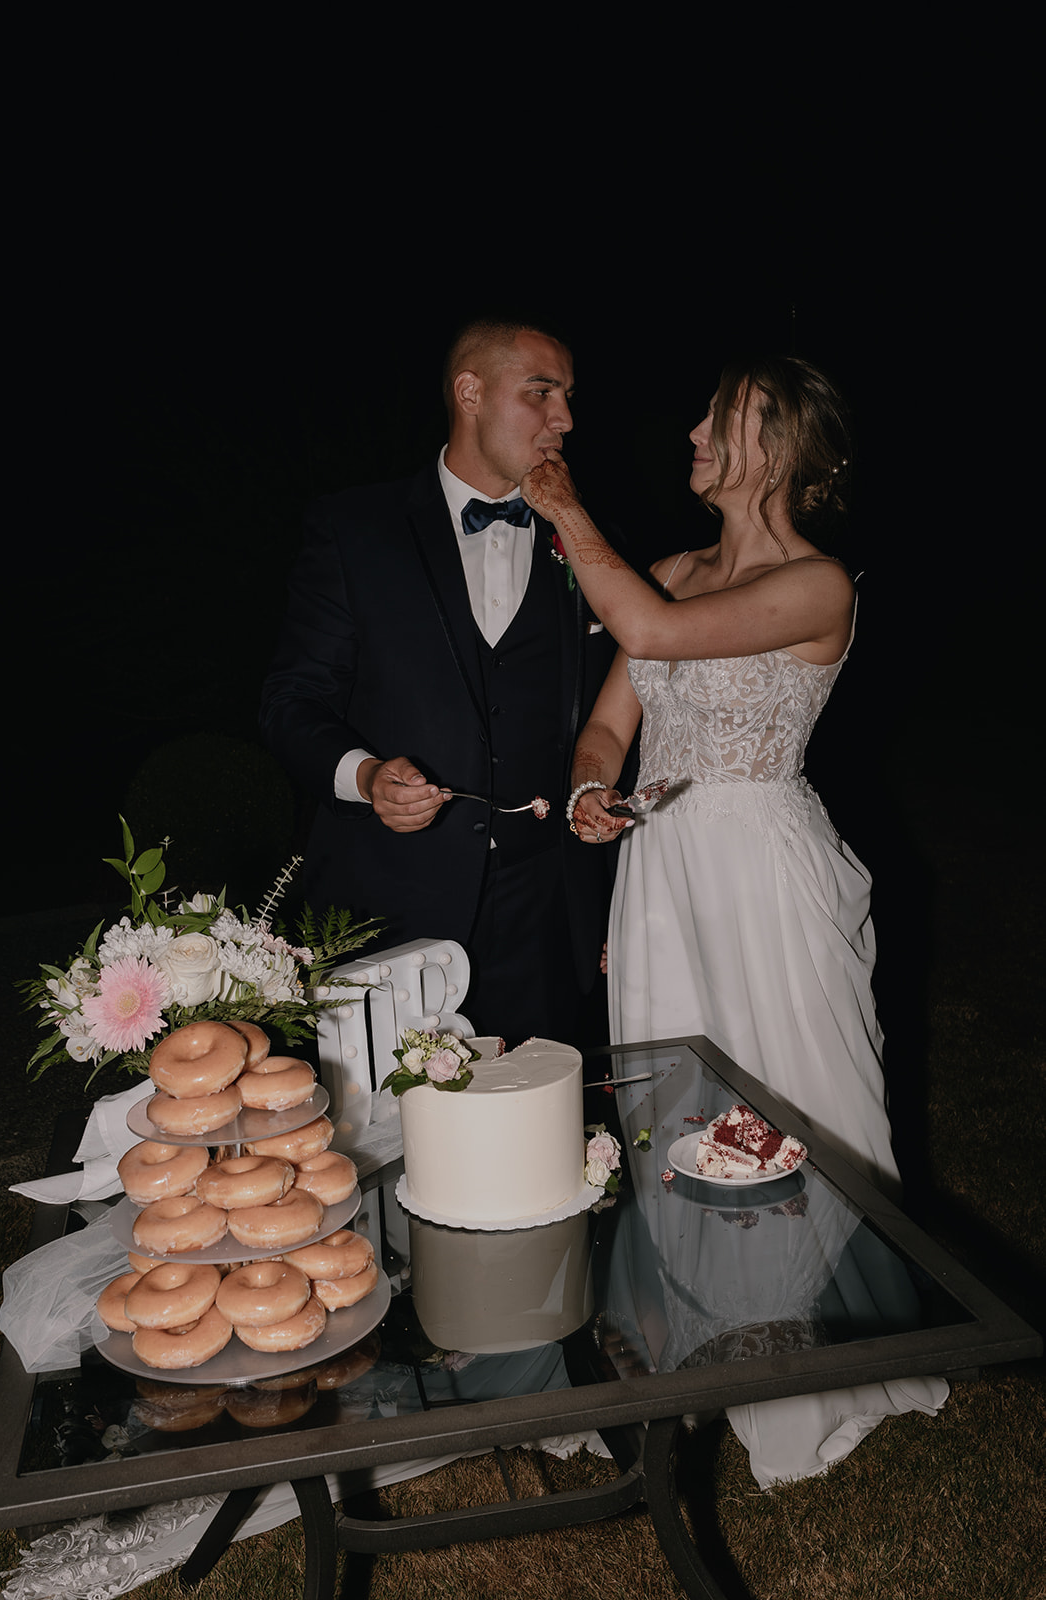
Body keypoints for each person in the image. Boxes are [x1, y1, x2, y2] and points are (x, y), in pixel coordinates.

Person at [521, 353, 948, 1486]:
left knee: (798, 1103)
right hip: (663, 876)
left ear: (784, 450)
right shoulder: (665, 567)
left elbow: (653, 638)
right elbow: (609, 723)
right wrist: (586, 790)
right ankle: (707, 1336)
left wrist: (561, 504)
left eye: (724, 418)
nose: (696, 430)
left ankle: (815, 1351)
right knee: (678, 1117)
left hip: (764, 872)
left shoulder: (819, 586)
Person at [260, 318, 617, 1044]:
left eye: (568, 397)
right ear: (470, 392)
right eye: (541, 393)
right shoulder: (355, 528)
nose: (565, 419)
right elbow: (291, 701)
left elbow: (612, 709)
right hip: (389, 908)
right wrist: (363, 778)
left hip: (543, 912)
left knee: (539, 1134)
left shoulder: (581, 537)